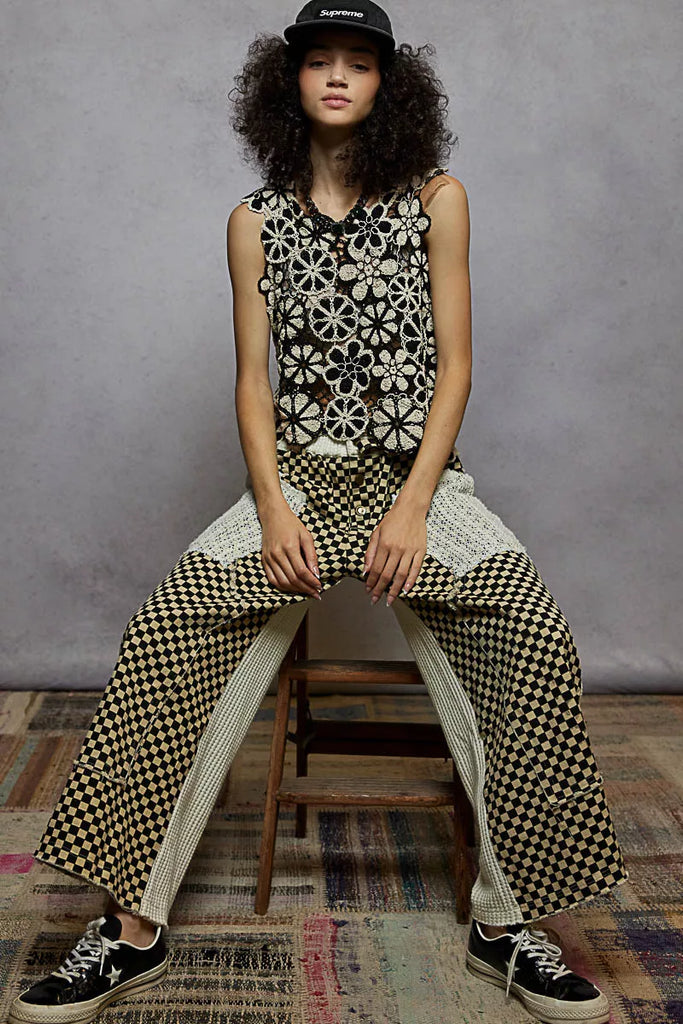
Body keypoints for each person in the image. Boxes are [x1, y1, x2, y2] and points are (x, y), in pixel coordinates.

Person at [10, 3, 630, 1022]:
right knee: (164, 631)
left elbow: (456, 366)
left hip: (415, 484)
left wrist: (414, 505)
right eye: (319, 61)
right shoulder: (252, 221)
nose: (338, 76)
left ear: (389, 85)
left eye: (359, 62)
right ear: (287, 81)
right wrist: (269, 505)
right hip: (294, 481)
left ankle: (506, 922)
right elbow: (251, 384)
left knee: (531, 632)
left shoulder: (437, 201)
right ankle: (128, 930)